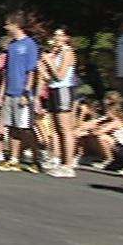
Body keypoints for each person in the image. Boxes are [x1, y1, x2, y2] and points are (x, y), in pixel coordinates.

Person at [0, 13, 41, 174]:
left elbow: (32, 71)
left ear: (16, 25)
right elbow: (7, 71)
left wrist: (26, 91)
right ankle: (14, 159)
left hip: (23, 92)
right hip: (10, 91)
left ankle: (37, 158)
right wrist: (2, 93)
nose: (5, 27)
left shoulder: (29, 45)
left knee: (25, 128)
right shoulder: (12, 45)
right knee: (12, 127)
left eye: (8, 24)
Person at [39, 28, 77, 178]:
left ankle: (68, 164)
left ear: (67, 38)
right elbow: (51, 78)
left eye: (60, 35)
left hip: (64, 90)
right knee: (56, 127)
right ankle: (61, 161)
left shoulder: (68, 52)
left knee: (64, 127)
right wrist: (42, 68)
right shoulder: (57, 53)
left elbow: (60, 76)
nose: (56, 38)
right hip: (54, 90)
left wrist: (48, 62)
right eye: (55, 35)